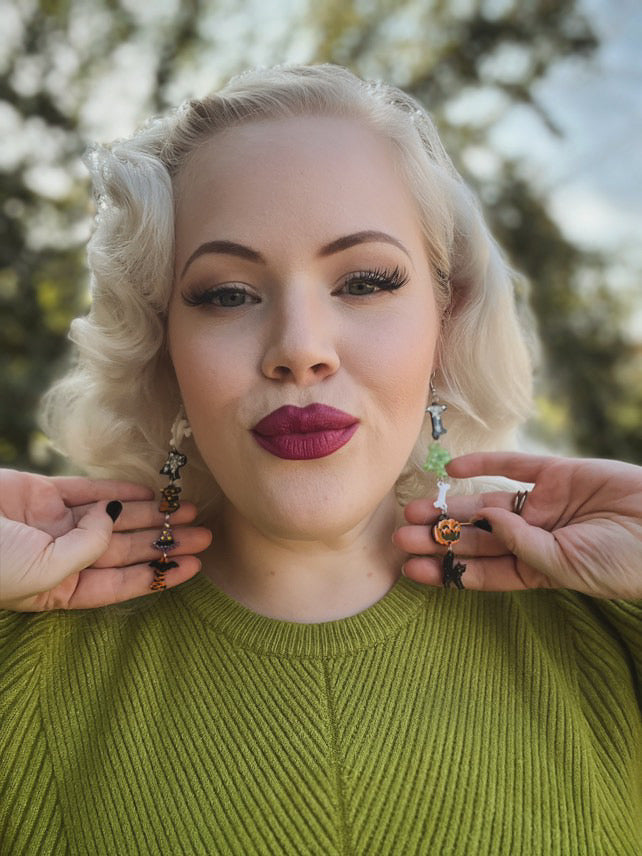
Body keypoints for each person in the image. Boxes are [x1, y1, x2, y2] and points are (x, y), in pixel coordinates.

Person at [0, 64, 640, 855]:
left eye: (364, 282)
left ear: (446, 319)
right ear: (162, 348)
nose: (300, 348)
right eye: (227, 294)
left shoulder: (612, 628)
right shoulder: (20, 662)